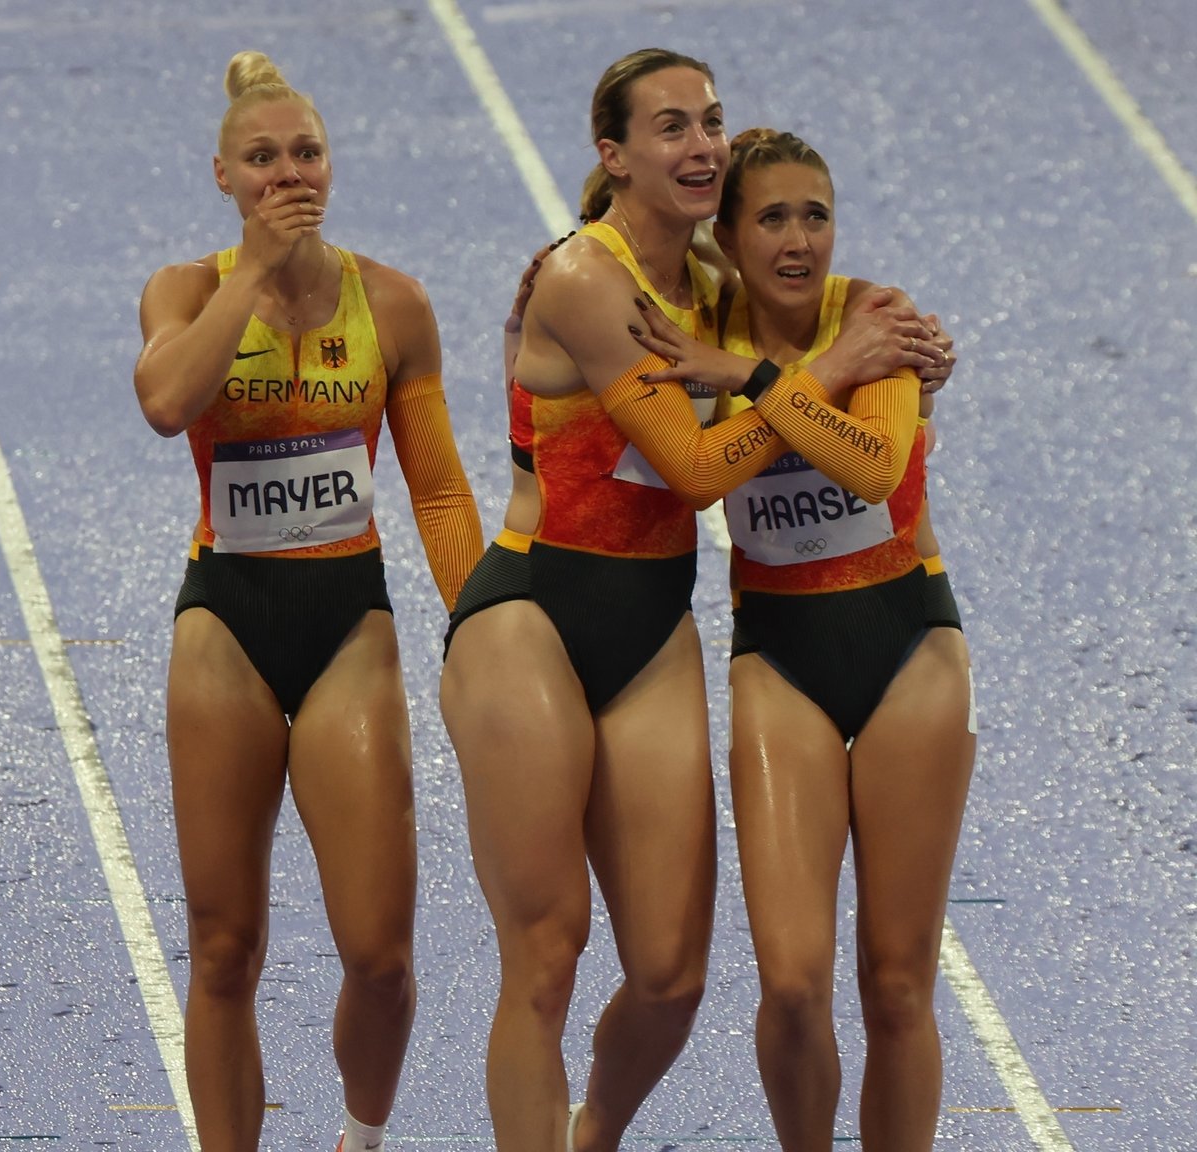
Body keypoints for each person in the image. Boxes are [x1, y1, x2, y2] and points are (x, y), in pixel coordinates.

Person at [440, 50, 940, 1150]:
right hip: (531, 608)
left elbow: (811, 326)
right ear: (611, 156)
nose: (701, 144)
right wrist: (812, 373)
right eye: (669, 127)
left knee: (669, 976)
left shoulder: (712, 287)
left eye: (710, 122)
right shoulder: (584, 278)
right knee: (547, 949)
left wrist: (900, 347)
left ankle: (590, 1133)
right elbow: (695, 471)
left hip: (651, 620)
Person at [132, 51, 482, 1152]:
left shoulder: (392, 303)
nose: (290, 175)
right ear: (223, 176)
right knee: (223, 944)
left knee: (379, 956)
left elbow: (432, 487)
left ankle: (360, 1138)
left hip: (347, 621)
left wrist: (484, 626)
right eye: (263, 159)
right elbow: (163, 401)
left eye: (307, 154)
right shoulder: (187, 291)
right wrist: (253, 274)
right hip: (224, 621)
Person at [627, 127, 975, 1151]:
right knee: (787, 980)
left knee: (898, 982)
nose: (796, 240)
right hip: (779, 654)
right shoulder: (688, 326)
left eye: (813, 215)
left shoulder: (877, 318)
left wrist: (745, 374)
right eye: (769, 217)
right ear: (725, 237)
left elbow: (869, 468)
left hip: (907, 644)